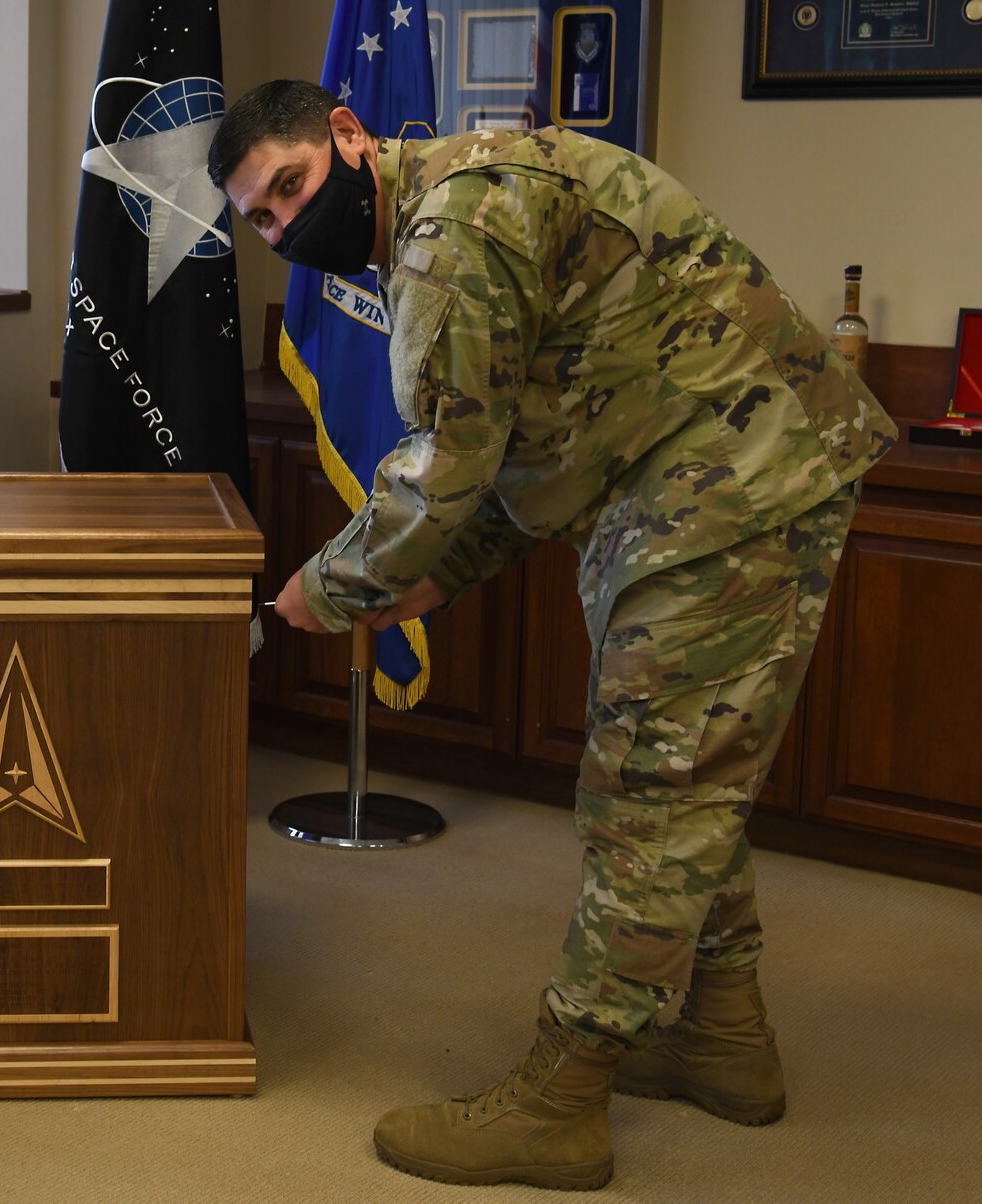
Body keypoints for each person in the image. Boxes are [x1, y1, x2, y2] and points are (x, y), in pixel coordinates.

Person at [209, 80, 896, 1191]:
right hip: (680, 478)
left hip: (730, 483)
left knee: (647, 792)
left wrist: (323, 589)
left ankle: (561, 1097)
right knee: (687, 776)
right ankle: (722, 1038)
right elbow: (529, 438)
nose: (286, 224)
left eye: (289, 186)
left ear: (346, 135)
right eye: (263, 220)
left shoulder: (448, 230)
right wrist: (435, 582)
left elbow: (444, 466)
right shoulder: (448, 205)